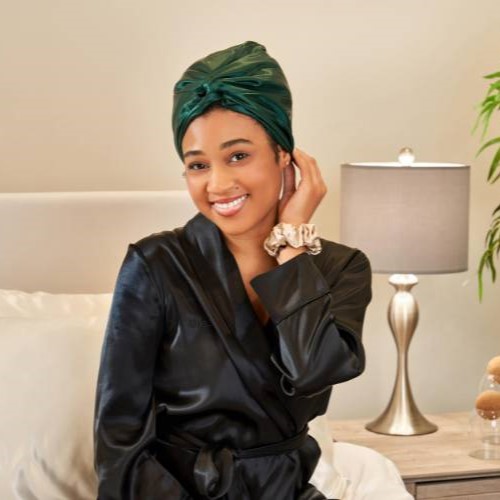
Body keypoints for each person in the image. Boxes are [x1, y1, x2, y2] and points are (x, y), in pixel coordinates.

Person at [93, 40, 373, 500]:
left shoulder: (341, 267)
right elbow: (119, 440)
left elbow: (313, 371)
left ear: (284, 155)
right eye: (198, 165)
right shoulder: (156, 265)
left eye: (238, 156)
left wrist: (292, 242)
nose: (218, 184)